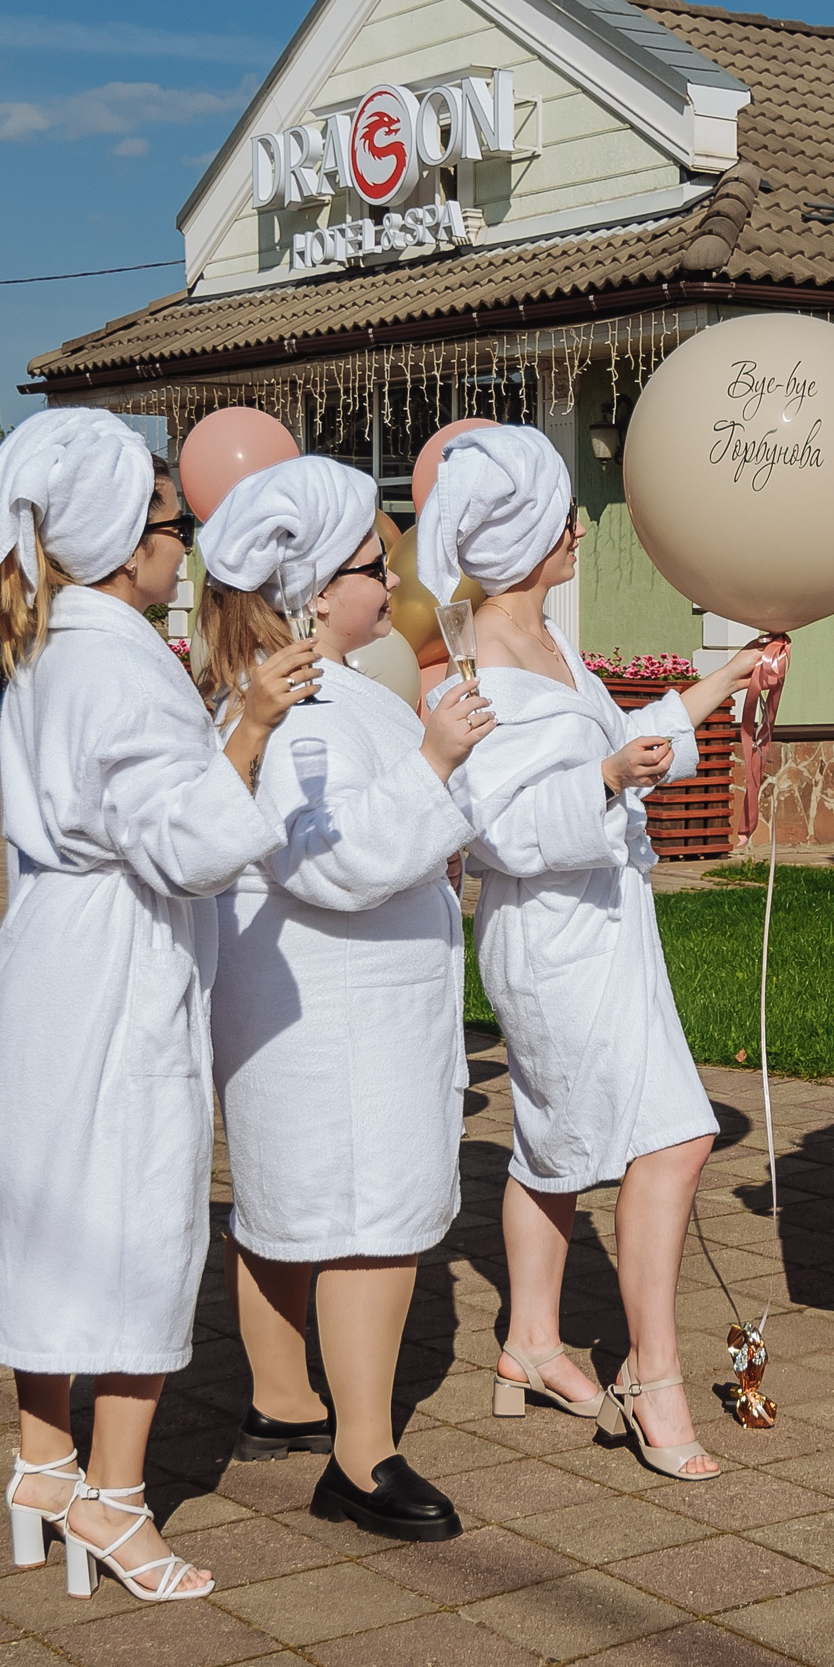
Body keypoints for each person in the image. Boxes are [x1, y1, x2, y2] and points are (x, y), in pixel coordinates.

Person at [0, 411, 318, 1603]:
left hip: (46, 958)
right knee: (133, 1220)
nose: (186, 547)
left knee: (46, 1211)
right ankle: (114, 1499)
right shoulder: (117, 664)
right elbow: (189, 845)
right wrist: (255, 725)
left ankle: (42, 1463)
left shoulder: (53, 649)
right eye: (174, 525)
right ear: (127, 544)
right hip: (114, 970)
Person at [417, 425, 760, 1482]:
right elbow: (504, 832)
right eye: (561, 515)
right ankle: (651, 1370)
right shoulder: (473, 671)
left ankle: (527, 1342)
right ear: (521, 540)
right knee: (675, 1136)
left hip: (607, 926)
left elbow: (622, 740)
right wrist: (607, 780)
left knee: (552, 1142)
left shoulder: (553, 646)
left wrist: (726, 681)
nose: (578, 528)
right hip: (551, 935)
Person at [197, 455, 494, 1541]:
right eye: (376, 564)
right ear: (317, 590)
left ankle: (282, 1401)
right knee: (368, 1218)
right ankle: (362, 1460)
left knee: (288, 1202)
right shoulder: (308, 711)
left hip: (319, 1006)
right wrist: (436, 760)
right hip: (343, 1016)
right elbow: (326, 862)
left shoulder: (325, 692)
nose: (392, 582)